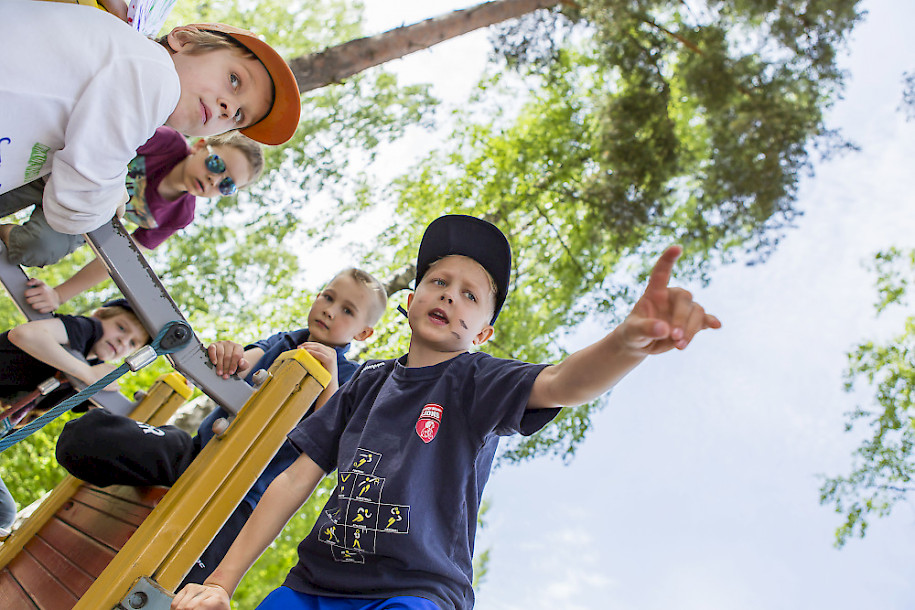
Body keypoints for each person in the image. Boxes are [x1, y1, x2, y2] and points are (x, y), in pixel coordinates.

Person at [170, 214, 722, 610]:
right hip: (312, 586)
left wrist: (625, 343)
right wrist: (221, 582)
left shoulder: (475, 380)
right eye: (438, 282)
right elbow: (293, 481)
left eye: (469, 294)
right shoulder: (364, 384)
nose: (450, 295)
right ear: (411, 302)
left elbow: (561, 382)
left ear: (482, 332)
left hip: (417, 591)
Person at [56, 268, 388, 587]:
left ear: (363, 333)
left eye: (346, 310)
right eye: (328, 298)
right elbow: (240, 366)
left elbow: (332, 439)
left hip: (241, 500)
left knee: (179, 585)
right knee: (84, 435)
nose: (330, 311)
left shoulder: (352, 378)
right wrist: (228, 353)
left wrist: (328, 379)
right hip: (198, 455)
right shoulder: (283, 340)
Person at [0, 0, 299, 236]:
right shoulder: (157, 74)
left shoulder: (134, 81)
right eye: (234, 80)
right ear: (184, 39)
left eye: (238, 116)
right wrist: (110, 197)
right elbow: (72, 208)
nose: (227, 108)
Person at [5, 128, 264, 310]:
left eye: (227, 185)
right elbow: (103, 144)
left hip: (84, 216)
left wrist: (59, 295)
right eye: (217, 165)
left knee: (38, 248)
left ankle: (4, 231)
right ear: (199, 146)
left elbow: (125, 257)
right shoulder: (168, 142)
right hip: (58, 174)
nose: (214, 180)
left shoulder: (179, 215)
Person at [0, 297, 150, 538]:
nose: (124, 340)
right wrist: (88, 373)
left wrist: (134, 408)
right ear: (100, 314)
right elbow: (24, 335)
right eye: (121, 328)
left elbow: (95, 417)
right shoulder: (83, 329)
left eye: (133, 343)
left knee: (4, 513)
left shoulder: (89, 371)